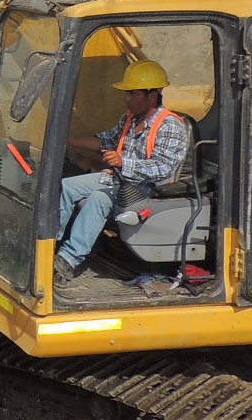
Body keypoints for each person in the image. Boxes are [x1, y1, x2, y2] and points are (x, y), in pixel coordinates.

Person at [55, 60, 189, 282]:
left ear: (152, 95)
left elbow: (163, 169)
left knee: (98, 198)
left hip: (147, 190)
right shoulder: (129, 118)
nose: (127, 99)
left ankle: (68, 260)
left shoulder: (171, 126)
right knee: (67, 186)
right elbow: (105, 141)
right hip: (119, 180)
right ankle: (51, 243)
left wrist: (122, 163)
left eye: (132, 93)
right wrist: (65, 140)